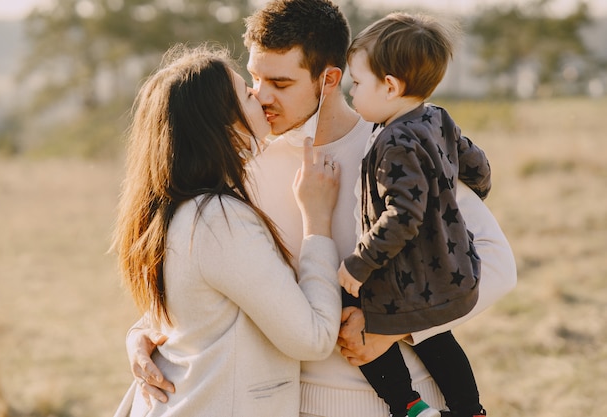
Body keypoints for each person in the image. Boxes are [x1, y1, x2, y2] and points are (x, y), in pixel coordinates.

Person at [124, 1, 517, 416]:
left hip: (407, 403)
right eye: (255, 78)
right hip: (294, 404)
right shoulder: (248, 165)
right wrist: (145, 331)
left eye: (280, 82)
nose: (261, 95)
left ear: (329, 79)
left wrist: (391, 326)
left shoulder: (398, 146)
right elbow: (218, 276)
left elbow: (496, 264)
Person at [110, 43, 344, 417]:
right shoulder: (217, 218)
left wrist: (137, 335)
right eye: (247, 93)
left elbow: (198, 307)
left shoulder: (173, 208)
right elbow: (312, 339)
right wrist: (317, 222)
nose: (260, 96)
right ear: (223, 126)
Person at [337, 12, 490, 417]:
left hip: (407, 276)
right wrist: (469, 194)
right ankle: (468, 409)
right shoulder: (438, 118)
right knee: (437, 337)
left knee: (351, 308)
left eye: (357, 83)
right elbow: (477, 165)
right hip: (449, 272)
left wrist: (359, 262)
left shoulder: (393, 141)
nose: (352, 93)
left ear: (389, 86)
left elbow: (403, 215)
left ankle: (407, 406)